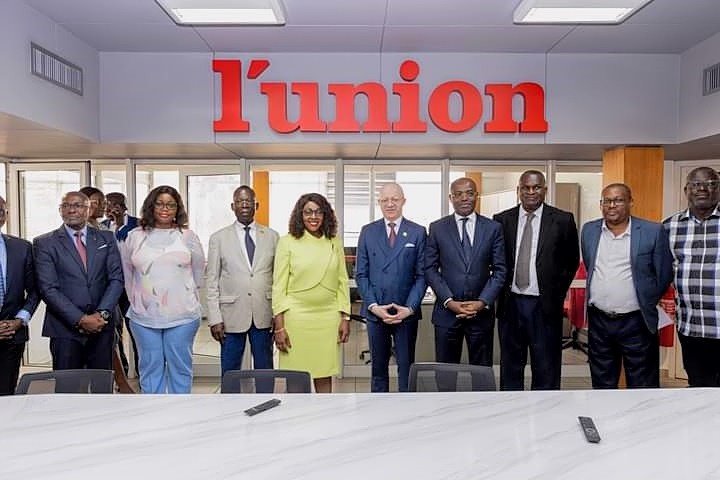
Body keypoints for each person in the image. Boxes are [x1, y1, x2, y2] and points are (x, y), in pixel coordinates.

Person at [493, 170, 579, 390]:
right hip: (511, 306)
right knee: (511, 367)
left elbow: (571, 262)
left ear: (545, 190)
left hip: (544, 307)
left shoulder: (562, 220)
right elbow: (496, 261)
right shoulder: (502, 220)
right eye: (526, 188)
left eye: (536, 187)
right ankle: (512, 408)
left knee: (546, 368)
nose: (531, 192)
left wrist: (555, 293)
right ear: (518, 190)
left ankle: (546, 410)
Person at [581, 183, 673, 388]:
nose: (612, 205)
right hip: (599, 321)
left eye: (618, 200)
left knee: (642, 384)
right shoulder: (589, 230)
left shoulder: (652, 231)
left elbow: (664, 274)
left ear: (631, 202)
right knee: (602, 383)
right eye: (607, 201)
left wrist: (646, 300)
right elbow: (590, 265)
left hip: (637, 321)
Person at [120, 186, 205, 394]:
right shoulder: (134, 236)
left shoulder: (187, 236)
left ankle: (180, 411)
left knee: (180, 369)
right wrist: (139, 301)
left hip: (182, 316)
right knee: (150, 370)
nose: (165, 209)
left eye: (170, 205)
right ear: (151, 206)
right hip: (143, 318)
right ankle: (153, 411)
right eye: (159, 204)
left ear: (177, 209)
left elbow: (198, 274)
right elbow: (127, 276)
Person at [33, 191, 124, 370]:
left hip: (102, 326)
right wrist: (80, 319)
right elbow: (48, 288)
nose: (71, 210)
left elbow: (116, 279)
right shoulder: (44, 243)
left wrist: (102, 314)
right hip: (64, 329)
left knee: (101, 383)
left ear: (88, 209)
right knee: (67, 384)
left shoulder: (106, 238)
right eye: (66, 206)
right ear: (60, 210)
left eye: (77, 205)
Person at [272, 193, 351, 393]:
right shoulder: (287, 242)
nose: (313, 217)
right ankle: (298, 415)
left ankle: (324, 414)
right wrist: (279, 327)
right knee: (296, 378)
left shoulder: (334, 242)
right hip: (296, 319)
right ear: (300, 215)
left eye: (318, 212)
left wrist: (345, 317)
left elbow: (342, 282)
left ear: (325, 215)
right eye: (308, 212)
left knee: (324, 374)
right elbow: (279, 287)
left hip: (328, 318)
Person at [425, 177, 506, 368]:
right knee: (446, 374)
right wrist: (449, 301)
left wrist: (482, 302)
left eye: (469, 193)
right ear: (451, 198)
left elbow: (500, 270)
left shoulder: (493, 228)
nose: (464, 198)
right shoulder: (437, 228)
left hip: (481, 315)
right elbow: (430, 268)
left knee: (481, 373)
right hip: (447, 314)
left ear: (477, 196)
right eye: (458, 194)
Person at [355, 183, 426, 392]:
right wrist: (374, 306)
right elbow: (361, 274)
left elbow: (422, 275)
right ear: (379, 202)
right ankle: (379, 409)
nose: (390, 204)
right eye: (385, 200)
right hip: (376, 312)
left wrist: (409, 308)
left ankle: (406, 409)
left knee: (406, 369)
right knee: (378, 370)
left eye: (395, 199)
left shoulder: (417, 232)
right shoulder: (368, 232)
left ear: (403, 201)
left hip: (406, 313)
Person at [206, 186, 279, 379]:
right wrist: (214, 318)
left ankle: (266, 397)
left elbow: (278, 279)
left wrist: (277, 315)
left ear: (256, 205)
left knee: (265, 369)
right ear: (233, 206)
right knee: (230, 371)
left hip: (264, 314)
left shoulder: (272, 236)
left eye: (248, 201)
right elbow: (211, 280)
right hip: (230, 316)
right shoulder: (218, 238)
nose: (244, 205)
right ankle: (230, 399)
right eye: (240, 201)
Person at [663, 167, 720, 387]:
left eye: (711, 184)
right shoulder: (670, 226)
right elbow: (663, 271)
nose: (703, 189)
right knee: (698, 386)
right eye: (696, 184)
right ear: (687, 190)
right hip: (691, 326)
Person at [0, 196, 40, 395]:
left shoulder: (22, 247)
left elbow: (35, 290)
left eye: (0, 211)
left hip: (12, 335)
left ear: (5, 215)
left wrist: (20, 320)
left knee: (6, 395)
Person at [102, 192, 140, 378]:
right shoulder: (102, 227)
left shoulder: (138, 225)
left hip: (131, 288)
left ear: (125, 206)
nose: (112, 208)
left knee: (137, 332)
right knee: (113, 333)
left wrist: (120, 224)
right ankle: (120, 375)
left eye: (117, 204)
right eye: (108, 205)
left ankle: (142, 373)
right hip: (109, 288)